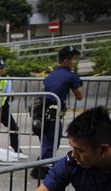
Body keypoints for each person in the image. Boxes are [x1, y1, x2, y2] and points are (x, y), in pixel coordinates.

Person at [31, 46, 83, 180]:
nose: (75, 62)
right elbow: (79, 96)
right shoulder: (70, 76)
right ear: (66, 60)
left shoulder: (51, 75)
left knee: (47, 141)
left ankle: (41, 164)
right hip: (52, 113)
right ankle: (40, 170)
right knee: (52, 141)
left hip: (41, 111)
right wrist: (76, 80)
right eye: (73, 60)